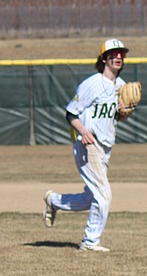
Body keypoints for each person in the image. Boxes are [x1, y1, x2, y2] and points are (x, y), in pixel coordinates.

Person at [42, 38, 136, 252]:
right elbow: (70, 113)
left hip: (105, 147)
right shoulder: (91, 84)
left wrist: (124, 113)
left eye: (121, 53)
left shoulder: (121, 87)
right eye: (113, 54)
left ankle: (54, 201)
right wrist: (83, 131)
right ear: (103, 58)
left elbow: (117, 118)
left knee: (92, 197)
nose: (118, 57)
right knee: (104, 194)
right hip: (87, 144)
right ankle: (90, 241)